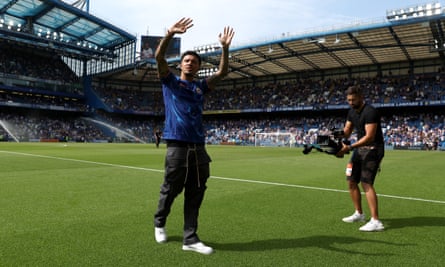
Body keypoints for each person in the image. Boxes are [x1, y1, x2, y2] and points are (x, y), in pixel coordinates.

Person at [153, 17, 235, 254]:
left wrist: (225, 48)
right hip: (177, 146)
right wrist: (169, 33)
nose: (190, 64)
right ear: (180, 65)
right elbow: (159, 58)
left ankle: (190, 239)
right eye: (186, 61)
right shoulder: (169, 82)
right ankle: (159, 222)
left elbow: (222, 72)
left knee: (196, 193)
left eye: (194, 62)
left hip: (198, 148)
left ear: (198, 67)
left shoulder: (200, 87)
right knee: (170, 190)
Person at [336, 85, 385, 232]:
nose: (351, 102)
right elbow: (347, 132)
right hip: (359, 150)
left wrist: (349, 148)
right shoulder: (351, 112)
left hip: (373, 150)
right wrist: (335, 135)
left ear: (361, 97)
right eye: (349, 100)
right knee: (351, 181)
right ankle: (359, 214)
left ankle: (376, 221)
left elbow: (369, 137)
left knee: (366, 183)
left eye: (353, 99)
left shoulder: (370, 112)